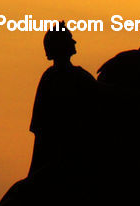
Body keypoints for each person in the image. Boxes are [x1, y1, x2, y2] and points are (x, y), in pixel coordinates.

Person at [27, 23, 98, 177]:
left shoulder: (54, 77)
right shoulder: (74, 76)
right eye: (70, 38)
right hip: (71, 153)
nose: (74, 42)